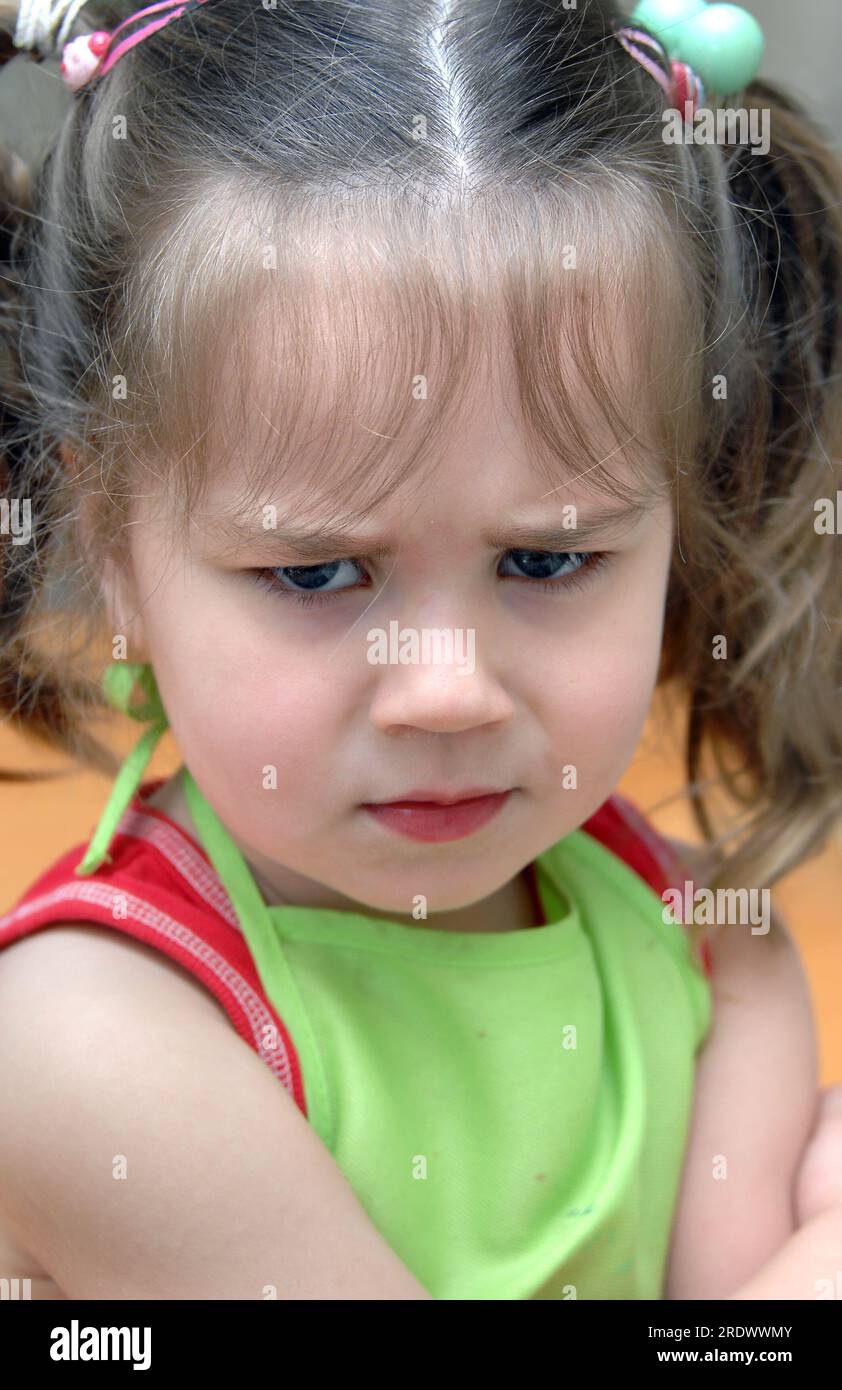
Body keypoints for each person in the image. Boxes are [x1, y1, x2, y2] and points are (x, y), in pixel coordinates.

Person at [0, 0, 840, 1301]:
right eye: (316, 571)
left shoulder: (709, 951)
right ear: (113, 548)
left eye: (548, 559)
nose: (447, 688)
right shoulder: (77, 1040)